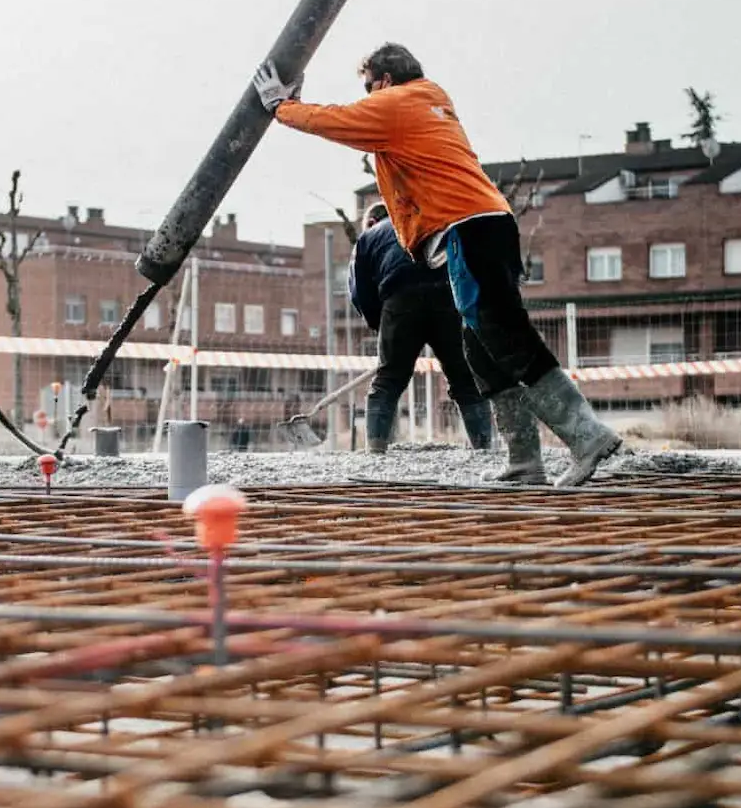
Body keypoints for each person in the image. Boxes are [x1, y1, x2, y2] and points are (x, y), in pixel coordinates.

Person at [253, 46, 622, 486]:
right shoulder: (428, 102)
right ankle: (525, 462)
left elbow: (338, 120)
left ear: (385, 81)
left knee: (505, 335)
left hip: (470, 229)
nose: (367, 98)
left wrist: (282, 107)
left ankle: (588, 437)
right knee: (479, 348)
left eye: (369, 87)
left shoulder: (399, 102)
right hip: (483, 226)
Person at [349, 201, 491, 453]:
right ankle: (483, 447)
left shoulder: (369, 237)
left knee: (388, 379)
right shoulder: (433, 221)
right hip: (447, 296)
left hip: (400, 299)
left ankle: (375, 449)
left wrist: (381, 326)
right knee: (464, 377)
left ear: (371, 222)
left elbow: (361, 292)